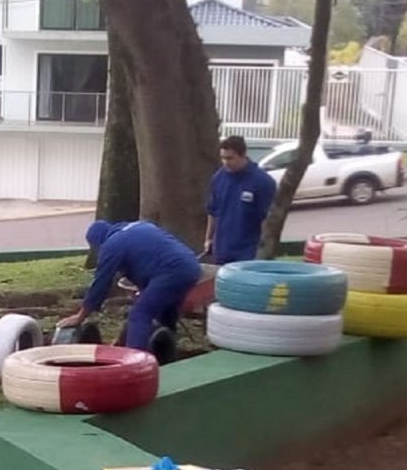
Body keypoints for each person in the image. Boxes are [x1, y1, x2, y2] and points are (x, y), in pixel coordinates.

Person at [58, 220, 202, 352]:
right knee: (164, 311)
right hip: (190, 266)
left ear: (98, 241)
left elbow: (100, 283)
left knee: (139, 315)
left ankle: (134, 361)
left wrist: (80, 316)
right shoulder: (140, 226)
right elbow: (151, 258)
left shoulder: (111, 245)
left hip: (171, 272)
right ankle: (166, 353)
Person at [204, 134, 275, 265]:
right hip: (222, 250)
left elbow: (266, 219)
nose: (226, 162)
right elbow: (212, 211)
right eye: (223, 158)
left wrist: (263, 250)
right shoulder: (218, 178)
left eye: (230, 158)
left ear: (243, 155)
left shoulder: (262, 181)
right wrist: (208, 238)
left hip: (247, 253)